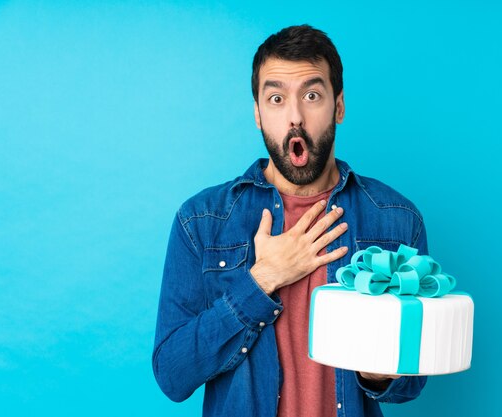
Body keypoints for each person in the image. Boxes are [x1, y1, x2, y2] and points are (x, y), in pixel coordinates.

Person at [152, 24, 428, 417]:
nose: (294, 117)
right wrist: (262, 280)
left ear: (339, 106)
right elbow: (172, 375)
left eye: (312, 95)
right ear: (258, 115)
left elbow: (412, 382)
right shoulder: (201, 221)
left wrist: (379, 374)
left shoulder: (397, 219)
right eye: (277, 98)